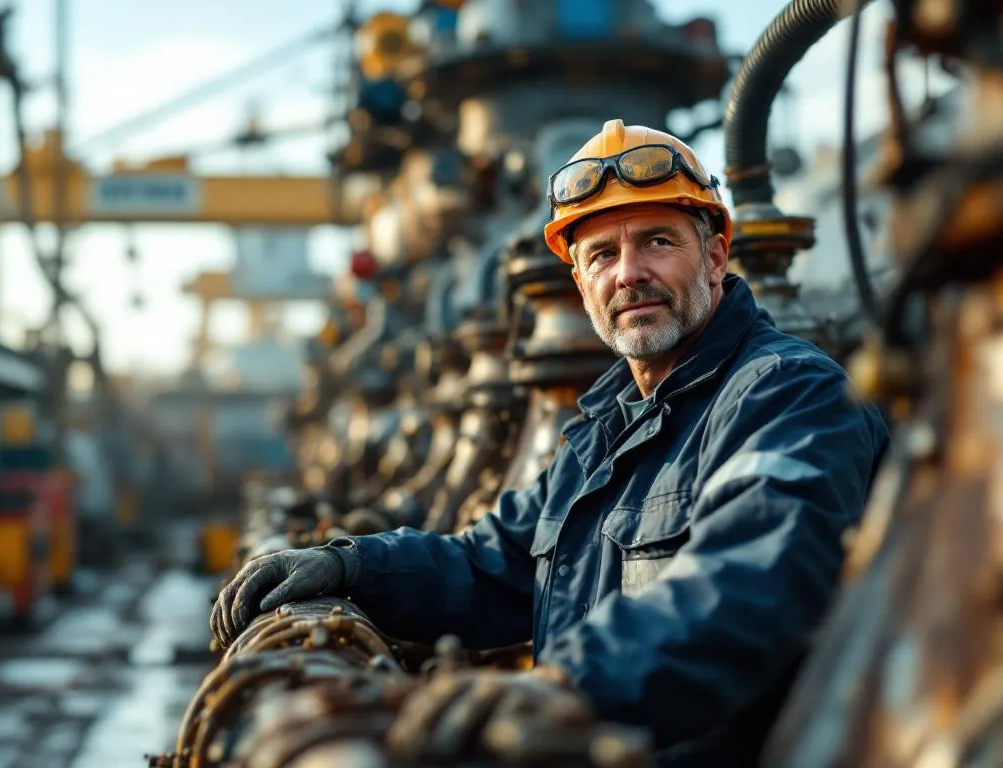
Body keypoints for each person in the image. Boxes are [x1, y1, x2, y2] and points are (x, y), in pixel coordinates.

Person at [212, 120, 889, 763]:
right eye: (602, 254)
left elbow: (752, 582)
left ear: (714, 258)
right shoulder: (606, 428)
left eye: (657, 242)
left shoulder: (786, 392)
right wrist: (353, 565)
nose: (628, 273)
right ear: (581, 286)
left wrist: (567, 686)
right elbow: (492, 564)